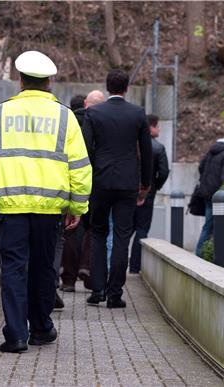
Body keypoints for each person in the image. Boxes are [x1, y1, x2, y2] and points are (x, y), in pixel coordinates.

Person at [0, 50, 92, 353]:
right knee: (43, 267)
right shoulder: (65, 116)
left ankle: (15, 335)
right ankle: (40, 328)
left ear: (20, 80)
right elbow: (79, 167)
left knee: (13, 268)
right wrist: (77, 206)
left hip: (11, 207)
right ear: (50, 81)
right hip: (50, 208)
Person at [82, 69, 152, 308]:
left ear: (107, 87)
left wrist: (88, 177)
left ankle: (98, 289)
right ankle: (115, 293)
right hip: (128, 183)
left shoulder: (94, 113)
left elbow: (86, 149)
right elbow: (146, 150)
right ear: (127, 88)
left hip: (100, 181)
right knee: (122, 236)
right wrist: (146, 183)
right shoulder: (138, 114)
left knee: (98, 233)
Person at [61, 90, 105, 292]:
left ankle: (68, 280)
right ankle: (87, 269)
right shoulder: (101, 122)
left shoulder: (67, 121)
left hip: (68, 181)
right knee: (92, 228)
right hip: (94, 182)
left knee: (69, 230)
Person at [129, 114, 169, 273]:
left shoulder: (132, 144)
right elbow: (164, 172)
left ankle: (116, 264)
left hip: (129, 191)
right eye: (157, 126)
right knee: (142, 229)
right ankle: (134, 267)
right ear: (151, 127)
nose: (159, 129)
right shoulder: (158, 148)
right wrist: (154, 186)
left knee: (125, 230)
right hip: (147, 194)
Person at [194, 132, 224, 257]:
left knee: (208, 227)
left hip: (209, 194)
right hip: (223, 198)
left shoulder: (214, 150)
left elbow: (201, 167)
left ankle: (200, 255)